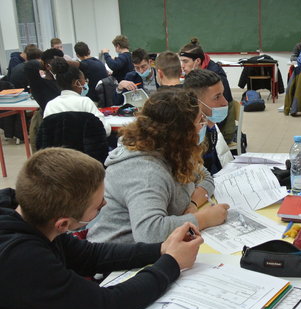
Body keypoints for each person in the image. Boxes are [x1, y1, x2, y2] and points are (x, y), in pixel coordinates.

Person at [0, 147, 204, 309]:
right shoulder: (21, 258)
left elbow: (90, 255)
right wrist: (172, 263)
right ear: (64, 224)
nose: (105, 205)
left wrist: (162, 249)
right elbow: (107, 308)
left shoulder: (28, 213)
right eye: (98, 206)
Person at [87, 88, 229, 245]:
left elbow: (205, 177)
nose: (204, 125)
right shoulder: (146, 172)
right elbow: (149, 233)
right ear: (180, 133)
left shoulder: (174, 152)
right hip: (121, 257)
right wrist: (203, 219)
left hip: (156, 249)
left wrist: (193, 205)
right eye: (200, 121)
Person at [179, 39, 235, 143]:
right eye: (181, 61)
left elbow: (220, 110)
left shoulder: (215, 78)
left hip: (221, 126)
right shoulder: (196, 76)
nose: (182, 65)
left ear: (197, 61)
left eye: (185, 61)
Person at [183, 69, 234, 175]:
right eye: (217, 97)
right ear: (196, 101)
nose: (225, 102)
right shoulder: (189, 135)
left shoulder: (210, 124)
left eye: (222, 94)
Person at [43, 58, 111, 136]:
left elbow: (46, 132)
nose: (85, 83)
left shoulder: (50, 105)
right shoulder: (84, 102)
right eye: (84, 80)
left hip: (57, 147)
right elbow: (104, 130)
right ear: (76, 83)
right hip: (82, 147)